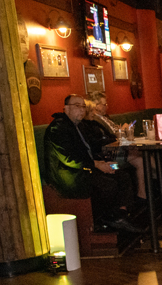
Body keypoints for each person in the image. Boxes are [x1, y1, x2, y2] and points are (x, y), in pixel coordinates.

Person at [42, 94, 139, 232]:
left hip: (87, 168)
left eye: (83, 106)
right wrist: (97, 165)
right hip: (69, 175)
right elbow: (69, 159)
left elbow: (92, 145)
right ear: (66, 109)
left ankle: (120, 216)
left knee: (122, 174)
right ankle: (103, 221)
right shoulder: (58, 128)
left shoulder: (79, 126)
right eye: (77, 106)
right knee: (108, 184)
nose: (82, 110)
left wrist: (106, 158)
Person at [88, 92, 146, 201]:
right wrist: (120, 132)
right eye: (104, 104)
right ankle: (144, 193)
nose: (107, 107)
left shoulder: (105, 118)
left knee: (142, 156)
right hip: (111, 159)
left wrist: (121, 132)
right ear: (96, 106)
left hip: (116, 152)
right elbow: (104, 141)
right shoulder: (94, 121)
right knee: (140, 158)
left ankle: (145, 193)